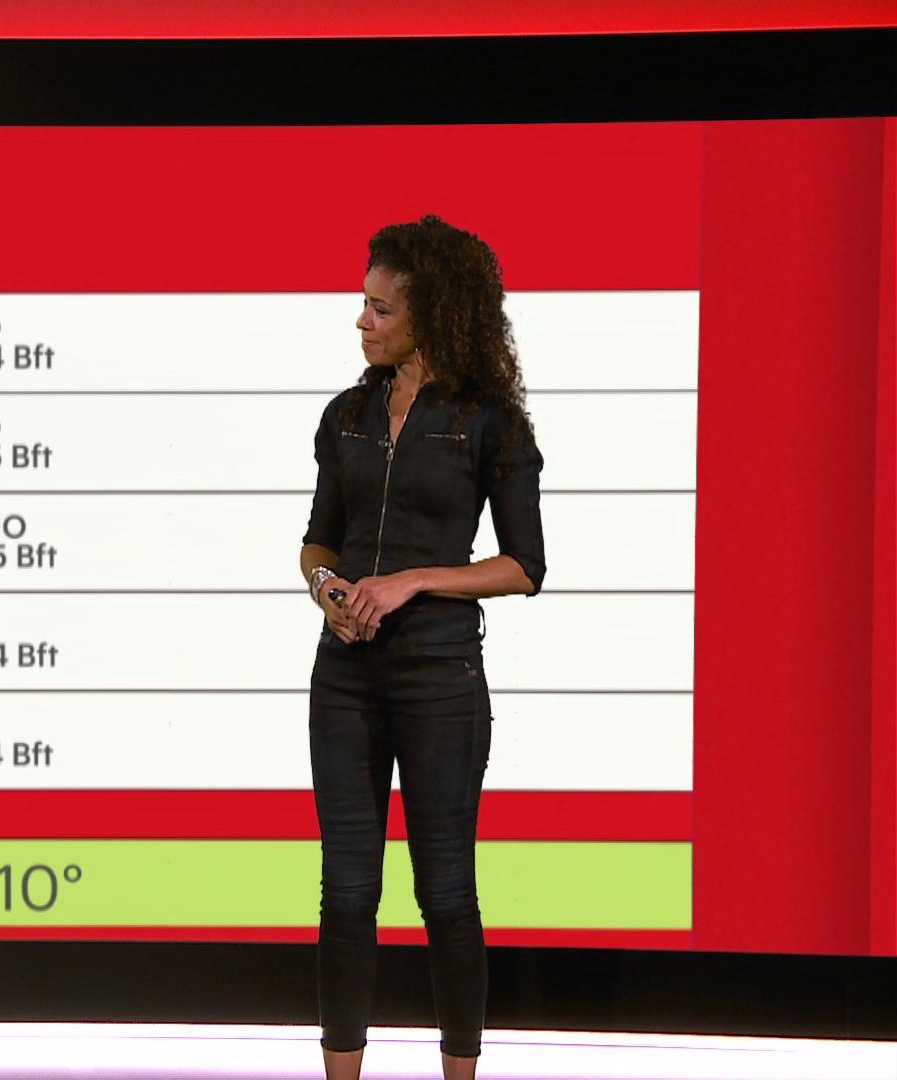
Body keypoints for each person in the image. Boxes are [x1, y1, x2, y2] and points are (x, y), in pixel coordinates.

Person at [298, 214, 546, 1080]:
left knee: (444, 891)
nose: (361, 321)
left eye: (381, 309)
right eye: (363, 304)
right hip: (345, 676)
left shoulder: (488, 423)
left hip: (440, 677)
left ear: (431, 315)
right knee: (346, 891)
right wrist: (327, 590)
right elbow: (318, 541)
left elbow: (523, 566)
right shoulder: (346, 415)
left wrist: (412, 581)